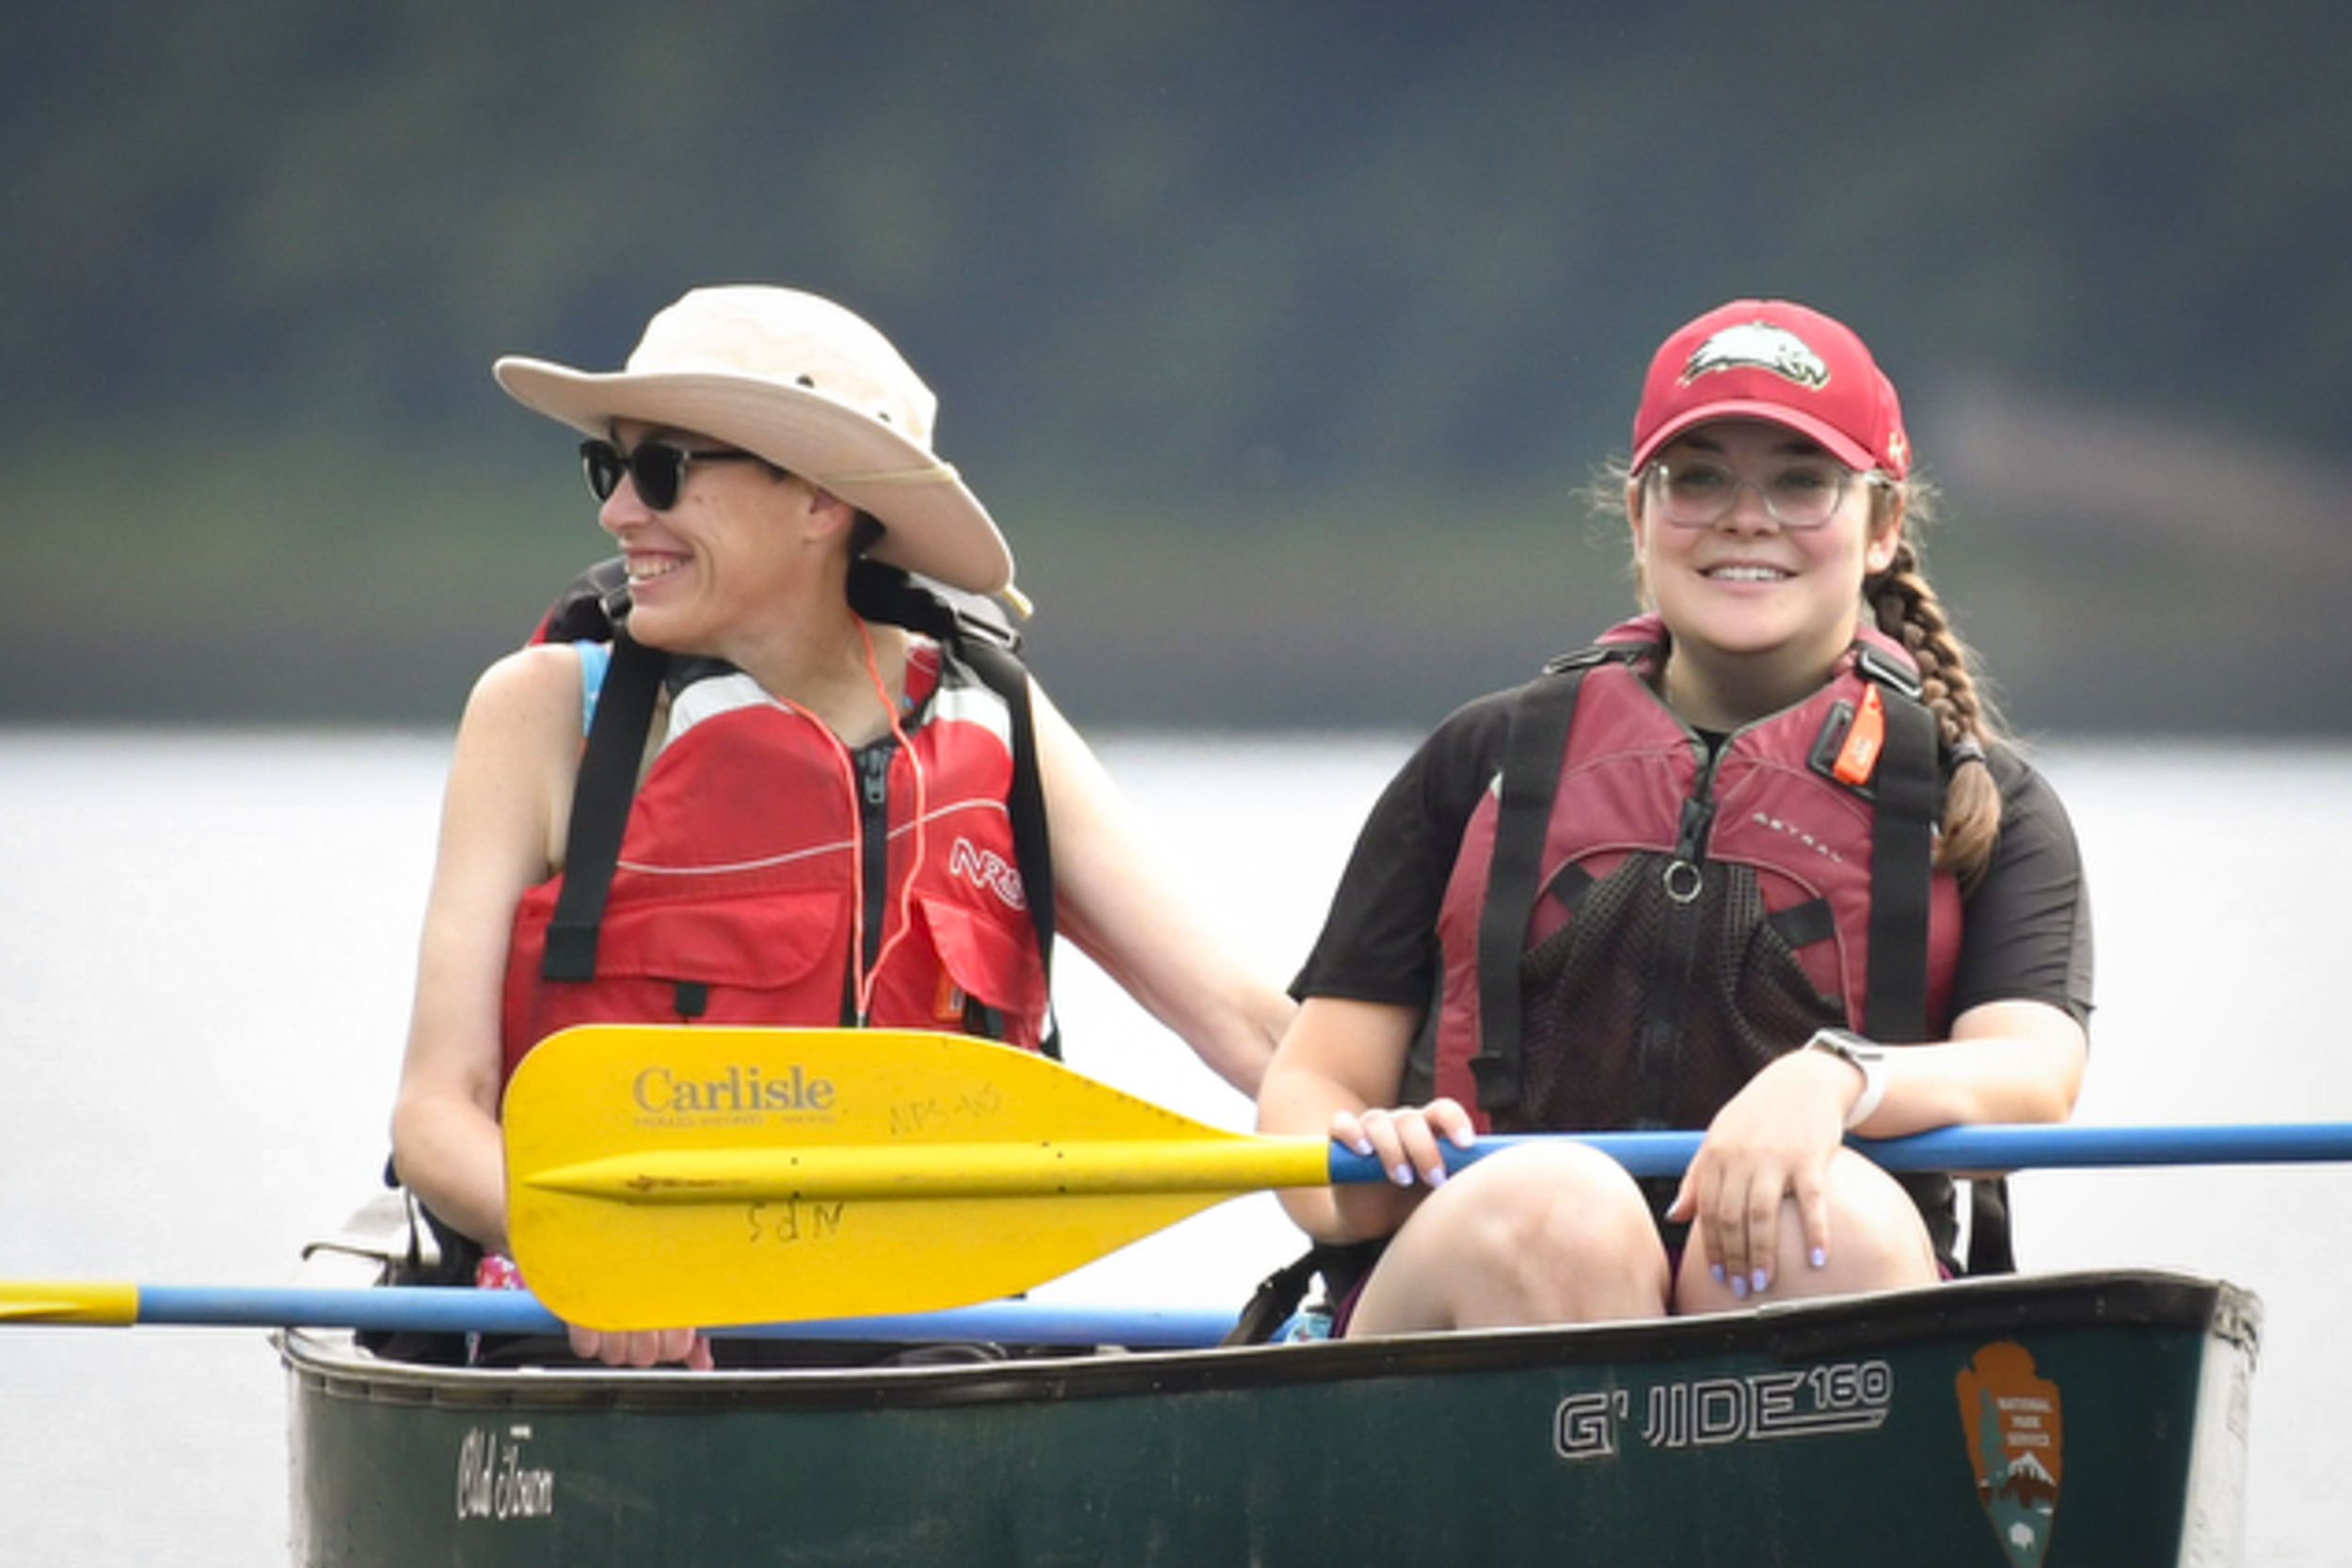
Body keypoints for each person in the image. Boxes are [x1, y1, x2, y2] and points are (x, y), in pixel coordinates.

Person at [390, 284, 1293, 1367]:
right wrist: (596, 1253)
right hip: (607, 1331)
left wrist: (1390, 1128)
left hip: (927, 1335)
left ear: (820, 501)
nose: (618, 511)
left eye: (664, 471)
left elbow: (1250, 1029)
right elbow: (439, 1115)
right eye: (610, 468)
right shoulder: (539, 712)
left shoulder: (991, 716)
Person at [1256, 299, 2090, 1336]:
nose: (1747, 516)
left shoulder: (1987, 806)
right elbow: (1313, 1082)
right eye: (1698, 478)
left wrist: (1833, 1080)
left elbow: (2032, 1071)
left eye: (1801, 479)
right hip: (1482, 1280)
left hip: (1817, 1265)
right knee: (1562, 1209)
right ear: (1638, 516)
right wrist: (1367, 1155)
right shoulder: (1478, 760)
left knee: (1809, 1217)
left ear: (1881, 528)